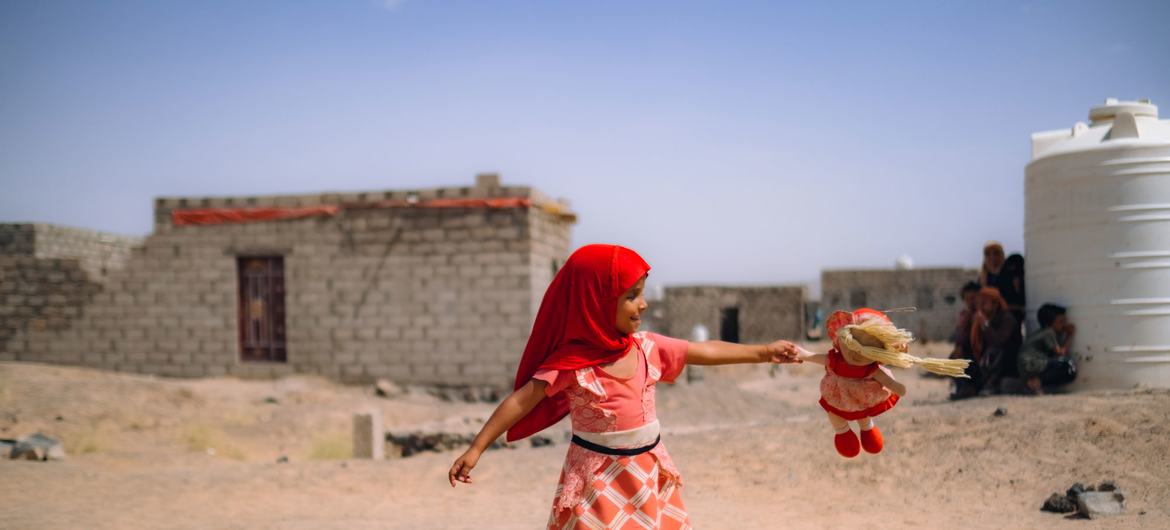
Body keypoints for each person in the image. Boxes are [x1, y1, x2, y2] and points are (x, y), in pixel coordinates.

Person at [447, 244, 800, 529]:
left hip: (646, 474)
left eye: (642, 293)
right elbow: (520, 401)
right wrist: (477, 448)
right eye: (632, 295)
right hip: (597, 483)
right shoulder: (573, 364)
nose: (643, 303)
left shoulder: (647, 347)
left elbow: (704, 351)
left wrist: (765, 352)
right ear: (595, 303)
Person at [798, 308, 969, 458]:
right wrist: (802, 354)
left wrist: (897, 387)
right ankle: (843, 432)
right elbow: (816, 357)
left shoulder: (870, 368)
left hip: (859, 398)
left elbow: (884, 378)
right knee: (835, 414)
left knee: (862, 413)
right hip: (837, 395)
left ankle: (867, 430)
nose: (856, 355)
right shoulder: (836, 360)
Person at [1018, 303, 1077, 395]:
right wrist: (1070, 335)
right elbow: (1060, 353)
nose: (1064, 325)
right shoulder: (1049, 332)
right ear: (1050, 323)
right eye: (1061, 322)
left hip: (1026, 364)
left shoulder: (1044, 332)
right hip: (1032, 363)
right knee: (1068, 367)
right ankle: (1035, 383)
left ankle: (1035, 383)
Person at [970, 287, 1020, 395]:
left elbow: (998, 342)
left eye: (984, 303)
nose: (981, 307)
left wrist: (985, 325)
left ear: (995, 304)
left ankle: (991, 385)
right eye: (979, 303)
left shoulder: (1007, 318)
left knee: (993, 352)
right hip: (991, 360)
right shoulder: (985, 318)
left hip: (1008, 361)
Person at [949, 281, 982, 399]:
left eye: (973, 298)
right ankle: (963, 389)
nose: (970, 302)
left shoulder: (982, 314)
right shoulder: (965, 314)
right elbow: (960, 335)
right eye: (967, 299)